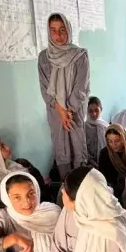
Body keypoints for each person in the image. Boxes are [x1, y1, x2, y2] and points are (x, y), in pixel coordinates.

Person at [38, 13, 90, 179]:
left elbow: (81, 87)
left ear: (68, 30)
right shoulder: (44, 57)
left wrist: (69, 110)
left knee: (77, 147)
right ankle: (66, 191)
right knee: (61, 149)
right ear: (48, 32)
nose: (58, 35)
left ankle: (81, 189)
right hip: (55, 113)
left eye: (62, 30)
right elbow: (45, 88)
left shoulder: (80, 55)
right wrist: (60, 111)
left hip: (75, 111)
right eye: (53, 30)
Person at [98, 124, 126, 199]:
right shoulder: (104, 154)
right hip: (114, 193)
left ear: (123, 139)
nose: (113, 145)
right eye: (110, 141)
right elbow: (103, 179)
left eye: (117, 141)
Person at [85, 96, 108, 168]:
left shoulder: (105, 126)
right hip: (89, 163)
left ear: (101, 109)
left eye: (96, 110)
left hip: (105, 161)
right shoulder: (83, 127)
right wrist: (92, 162)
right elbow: (82, 149)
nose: (94, 114)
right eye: (90, 111)